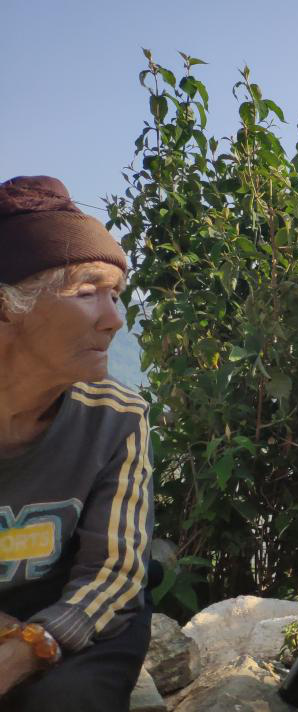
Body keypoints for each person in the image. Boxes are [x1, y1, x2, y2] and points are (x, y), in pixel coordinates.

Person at [0, 176, 152, 711]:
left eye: (116, 295)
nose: (114, 320)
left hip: (76, 619)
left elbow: (114, 570)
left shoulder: (117, 417)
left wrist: (28, 648)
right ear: (5, 311)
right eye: (88, 293)